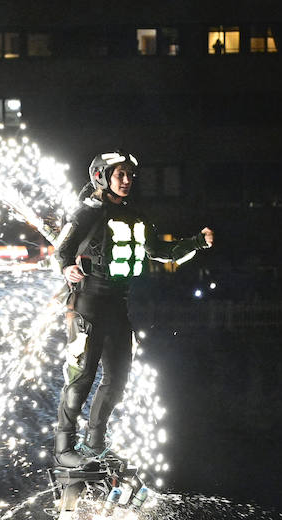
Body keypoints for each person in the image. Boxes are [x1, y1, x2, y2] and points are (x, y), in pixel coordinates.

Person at [51, 150, 213, 468]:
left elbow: (160, 250)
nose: (127, 180)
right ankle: (64, 446)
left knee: (119, 377)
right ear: (102, 176)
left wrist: (196, 242)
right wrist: (67, 267)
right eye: (119, 174)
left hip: (118, 306)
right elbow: (63, 247)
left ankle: (95, 443)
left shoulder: (136, 214)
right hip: (87, 304)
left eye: (129, 175)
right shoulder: (88, 210)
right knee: (82, 375)